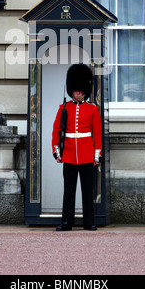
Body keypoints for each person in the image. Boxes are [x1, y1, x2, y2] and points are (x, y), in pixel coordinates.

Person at [52, 63, 102, 231]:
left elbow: (97, 133)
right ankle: (67, 222)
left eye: (80, 90)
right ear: (72, 89)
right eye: (75, 90)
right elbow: (56, 130)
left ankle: (89, 221)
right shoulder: (64, 108)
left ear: (85, 90)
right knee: (69, 191)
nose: (78, 92)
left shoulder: (93, 109)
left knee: (88, 191)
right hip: (69, 155)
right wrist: (57, 151)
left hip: (87, 155)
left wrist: (97, 155)